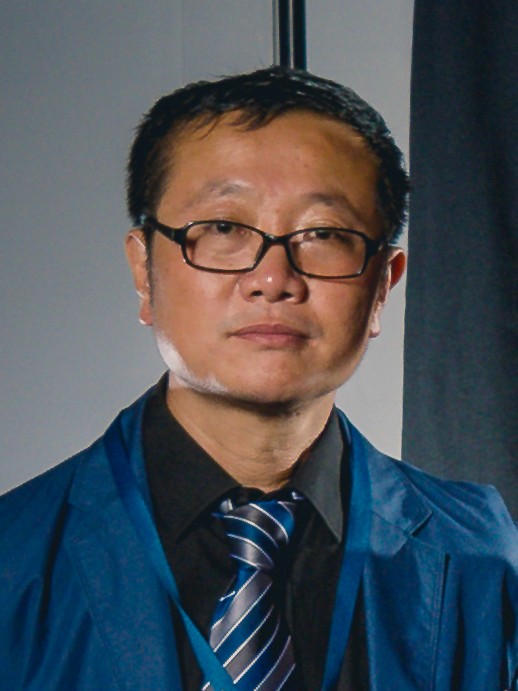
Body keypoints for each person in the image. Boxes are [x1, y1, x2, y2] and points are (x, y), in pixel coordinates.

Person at [0, 66, 516, 690]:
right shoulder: (14, 562)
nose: (274, 277)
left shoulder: (481, 557)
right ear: (144, 272)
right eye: (222, 228)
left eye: (324, 234)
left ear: (383, 284)